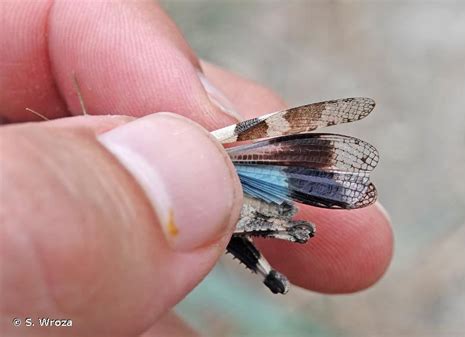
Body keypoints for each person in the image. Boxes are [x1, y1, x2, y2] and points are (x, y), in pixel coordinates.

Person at [0, 1, 393, 336]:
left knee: (248, 149)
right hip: (231, 209)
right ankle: (271, 245)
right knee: (272, 271)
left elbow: (288, 123)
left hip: (245, 174)